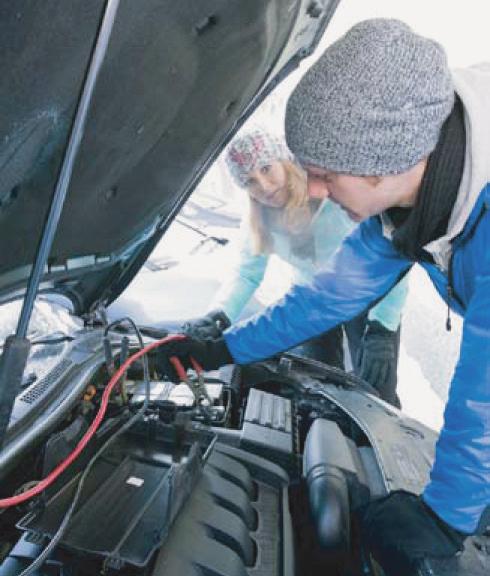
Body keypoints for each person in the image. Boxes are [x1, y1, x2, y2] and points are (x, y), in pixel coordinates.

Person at [157, 19, 490, 573]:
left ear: (392, 162)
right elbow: (325, 297)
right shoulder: (405, 200)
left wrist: (446, 517)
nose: (310, 191)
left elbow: (484, 387)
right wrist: (221, 350)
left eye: (326, 174)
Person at [189, 128, 408, 405]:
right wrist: (218, 314)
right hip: (312, 303)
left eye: (266, 169)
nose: (264, 187)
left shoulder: (335, 197)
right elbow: (246, 274)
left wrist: (383, 327)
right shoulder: (260, 221)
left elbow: (391, 259)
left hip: (368, 301)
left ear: (284, 160)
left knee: (376, 389)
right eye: (250, 181)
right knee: (319, 388)